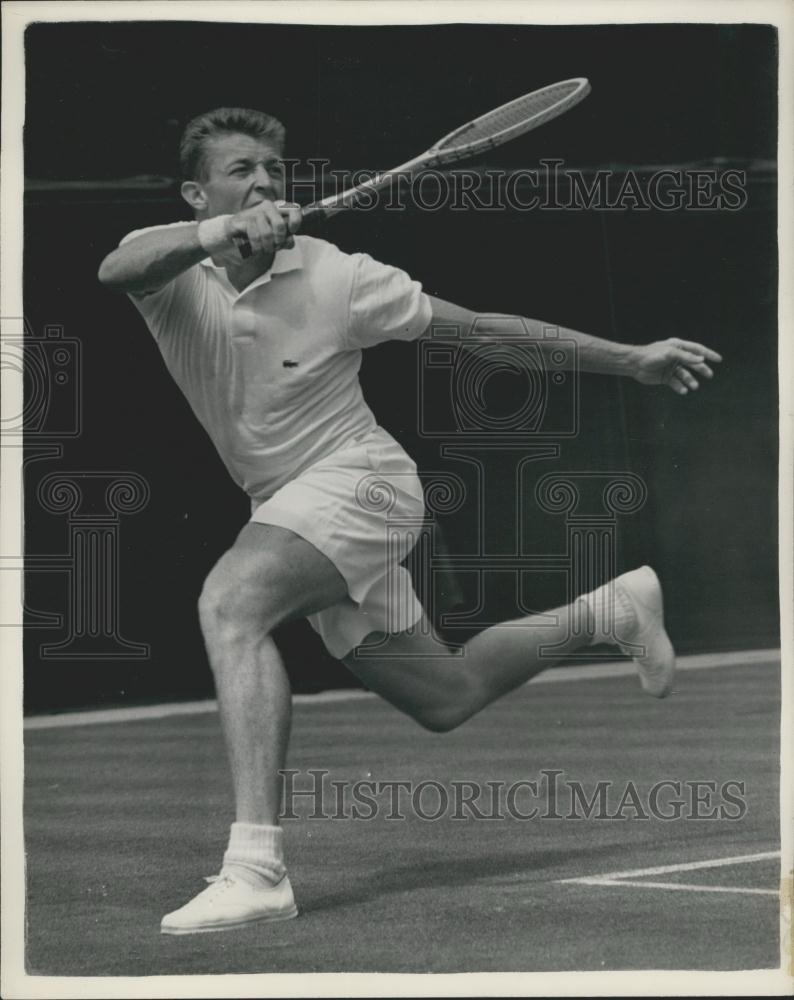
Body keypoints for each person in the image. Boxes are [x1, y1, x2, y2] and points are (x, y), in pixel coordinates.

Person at [98, 107, 722, 935]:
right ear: (197, 192)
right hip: (285, 505)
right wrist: (219, 235)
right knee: (446, 695)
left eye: (275, 169)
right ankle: (609, 611)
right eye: (242, 169)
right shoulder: (172, 265)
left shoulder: (341, 275)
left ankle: (257, 869)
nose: (266, 182)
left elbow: (486, 332)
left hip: (364, 484)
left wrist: (630, 358)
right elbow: (117, 267)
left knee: (231, 604)